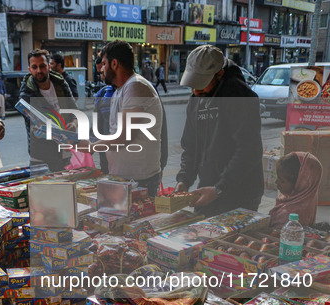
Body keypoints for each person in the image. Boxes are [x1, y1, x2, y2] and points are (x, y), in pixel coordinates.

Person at [175, 45, 264, 218]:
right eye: (193, 84)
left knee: (228, 243)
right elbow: (191, 146)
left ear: (220, 75)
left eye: (202, 83)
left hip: (240, 192)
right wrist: (184, 180)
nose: (196, 90)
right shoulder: (196, 100)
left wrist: (219, 189)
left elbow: (249, 150)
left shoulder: (240, 97)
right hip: (209, 187)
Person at [93, 40, 163, 196]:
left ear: (114, 63)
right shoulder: (121, 89)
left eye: (104, 64)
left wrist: (92, 146)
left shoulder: (135, 86)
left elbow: (125, 136)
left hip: (139, 180)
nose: (101, 69)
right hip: (123, 177)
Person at [19, 48, 78, 172]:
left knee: (65, 189)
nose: (39, 70)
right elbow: (34, 123)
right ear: (29, 69)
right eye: (34, 67)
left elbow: (75, 113)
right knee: (42, 190)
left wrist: (73, 124)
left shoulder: (61, 84)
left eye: (42, 66)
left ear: (49, 66)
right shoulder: (26, 93)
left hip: (64, 152)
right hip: (41, 155)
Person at [269, 152, 323, 228]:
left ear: (300, 184)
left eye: (282, 181)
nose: (276, 182)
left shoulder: (288, 217)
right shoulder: (304, 197)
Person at [94, 56, 114, 174]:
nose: (102, 77)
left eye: (103, 71)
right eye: (99, 73)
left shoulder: (137, 89)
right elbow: (97, 124)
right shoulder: (102, 94)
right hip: (105, 156)